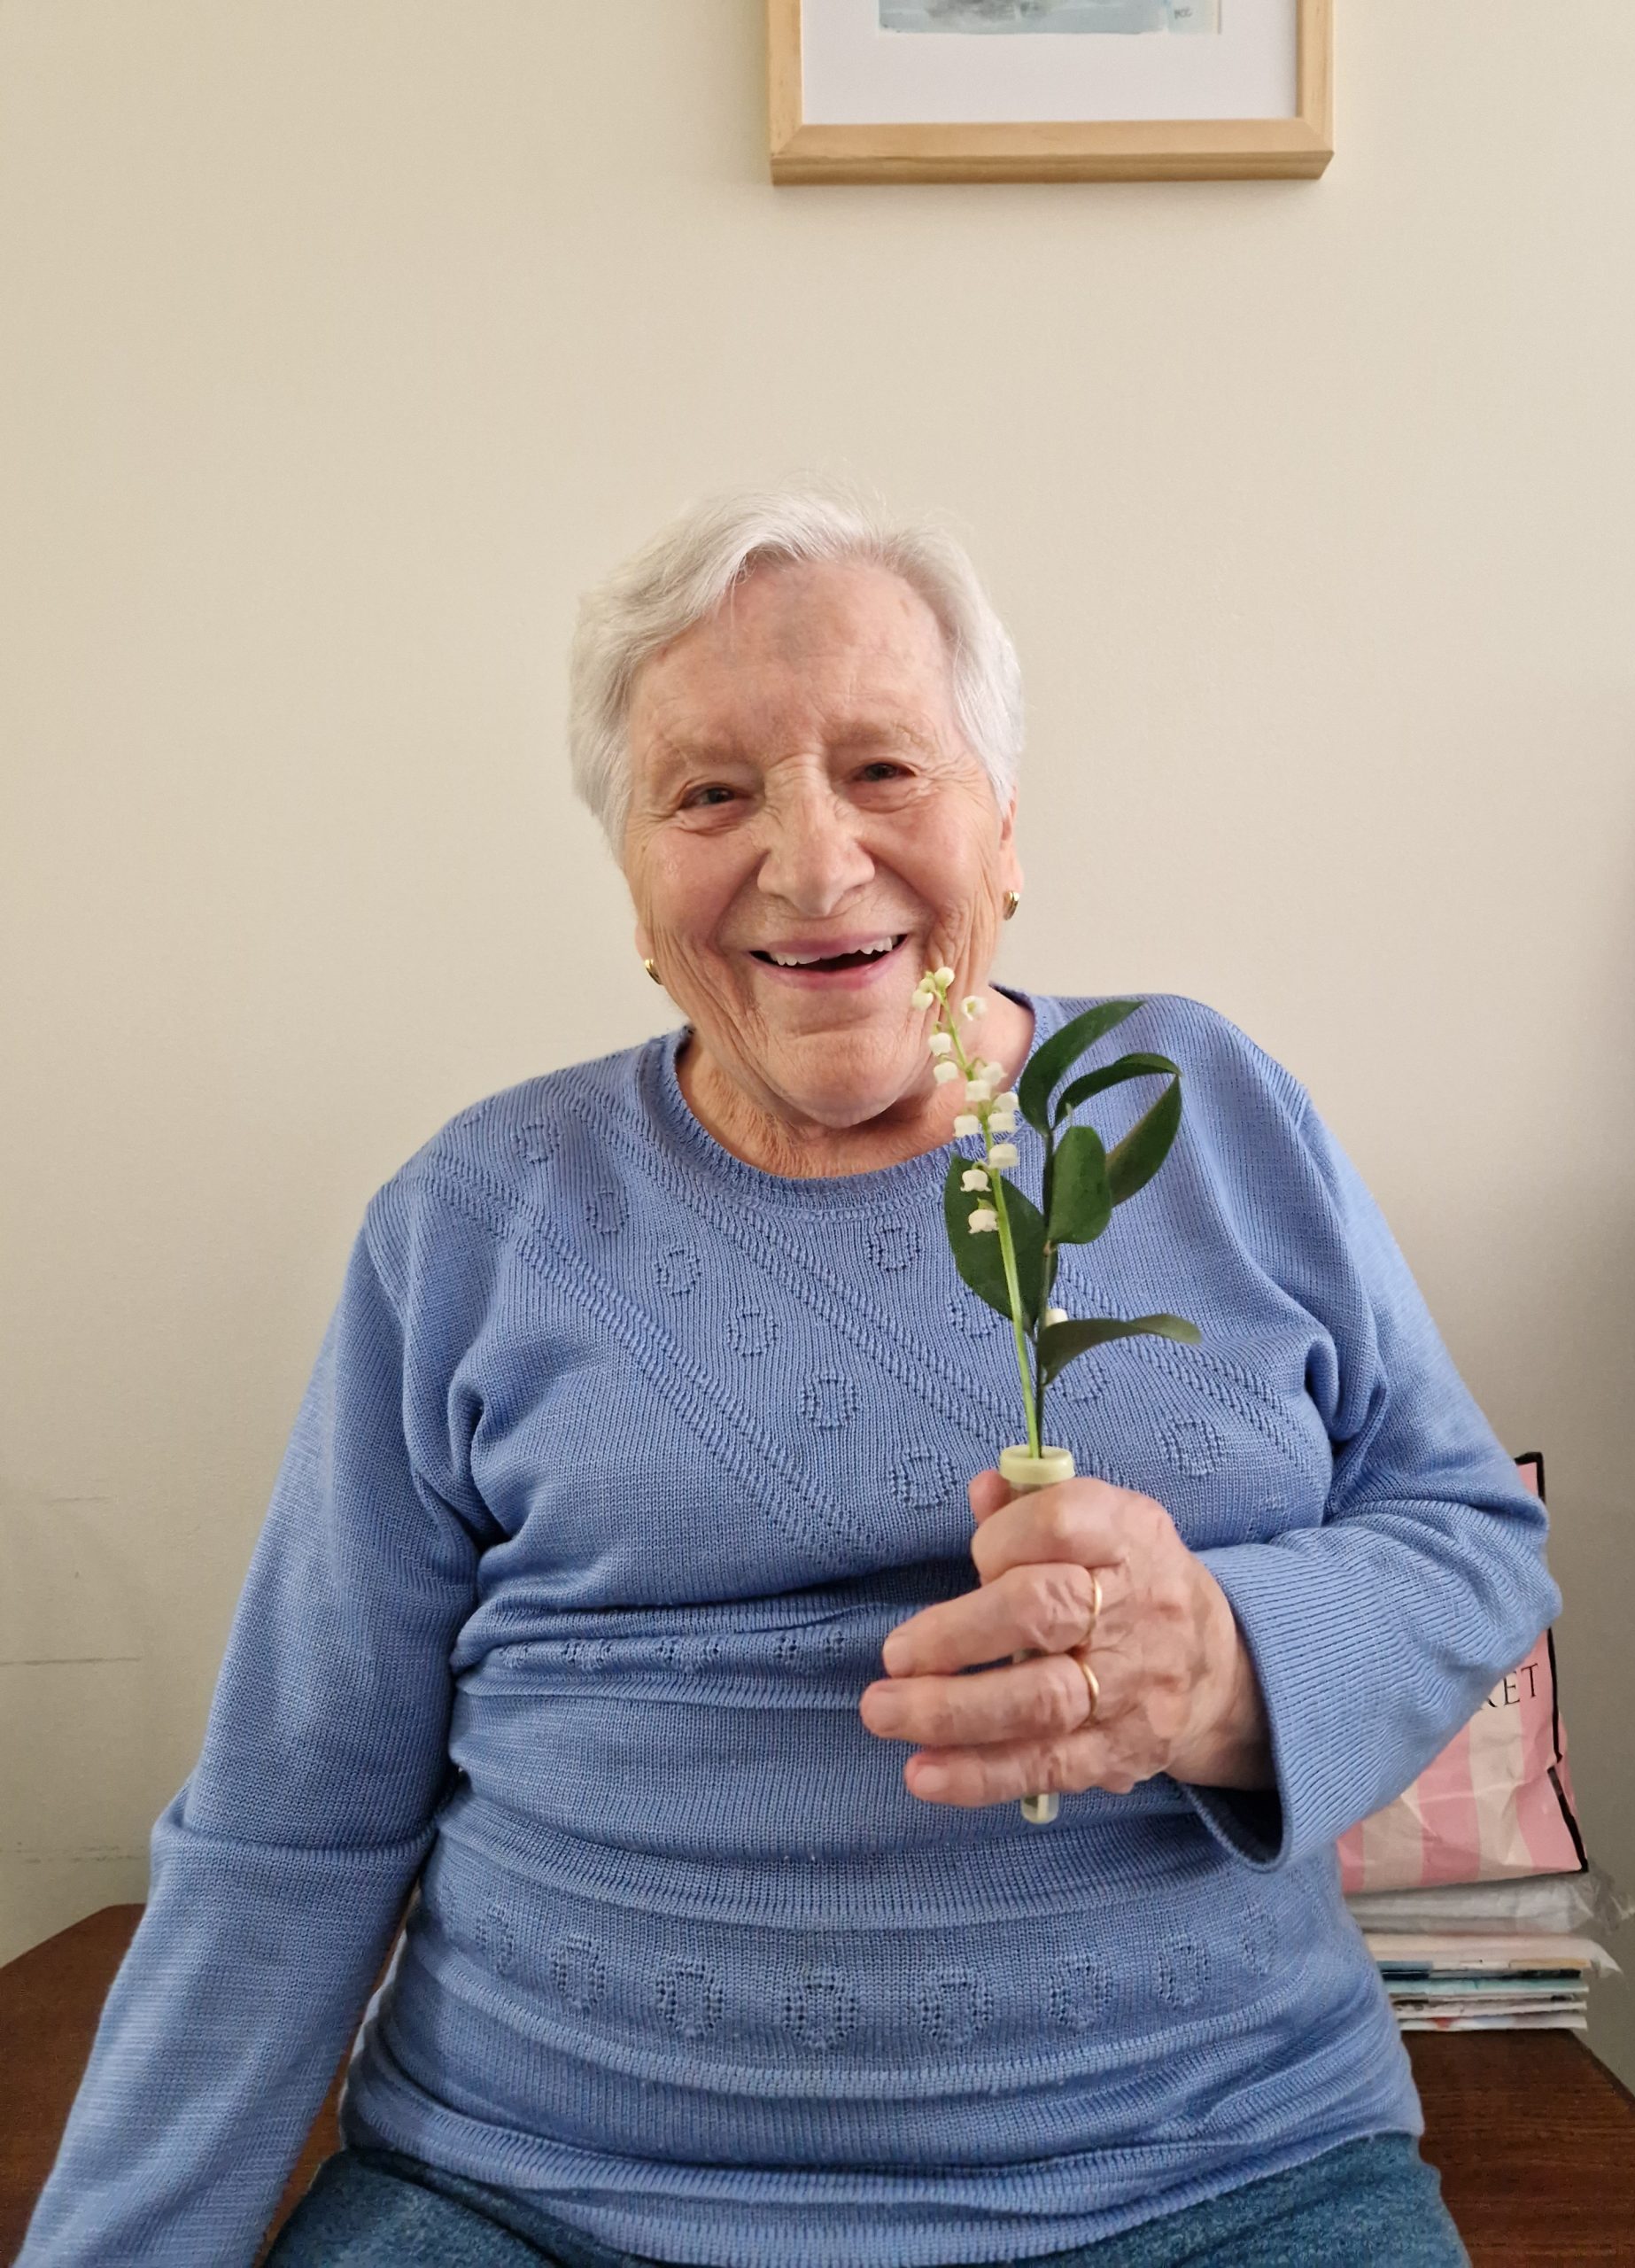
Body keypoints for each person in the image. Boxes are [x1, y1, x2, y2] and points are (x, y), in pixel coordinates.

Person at [20, 485, 1557, 2268]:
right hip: (538, 2198)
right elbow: (291, 1825)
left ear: (1005, 831)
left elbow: (1463, 1531)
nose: (815, 864)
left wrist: (1224, 1659)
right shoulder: (472, 1222)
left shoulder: (1202, 1113)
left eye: (885, 771)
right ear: (633, 878)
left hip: (1209, 2177)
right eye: (711, 791)